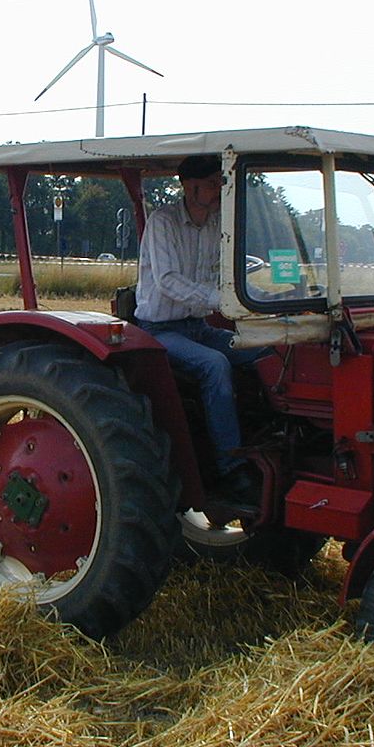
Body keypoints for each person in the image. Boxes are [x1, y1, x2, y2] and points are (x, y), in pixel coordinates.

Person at [134, 153, 266, 515]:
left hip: (198, 327)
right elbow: (168, 280)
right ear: (190, 187)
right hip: (159, 330)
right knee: (214, 365)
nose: (220, 189)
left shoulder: (216, 222)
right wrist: (218, 298)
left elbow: (226, 266)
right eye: (213, 183)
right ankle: (230, 469)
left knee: (266, 352)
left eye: (221, 183)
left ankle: (267, 449)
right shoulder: (163, 223)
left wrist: (256, 291)